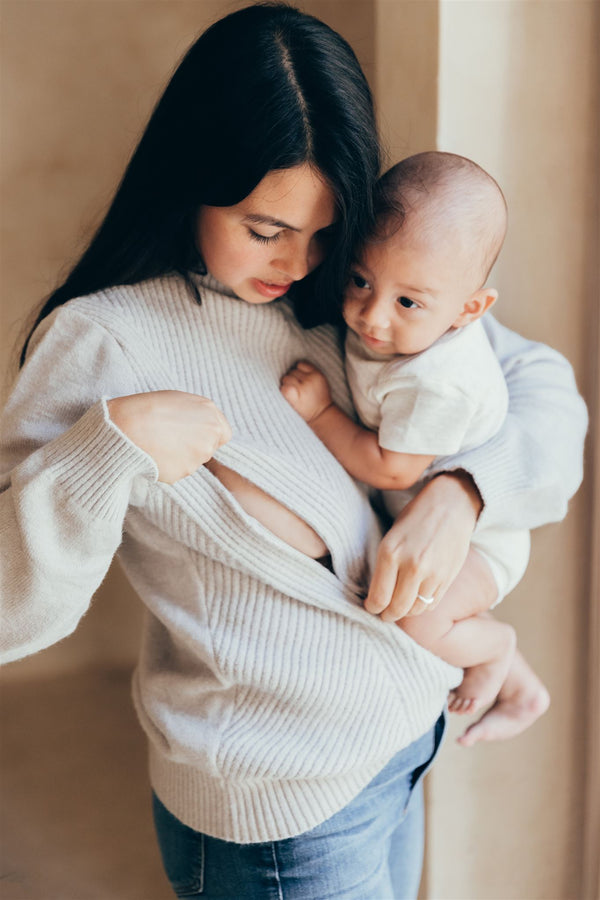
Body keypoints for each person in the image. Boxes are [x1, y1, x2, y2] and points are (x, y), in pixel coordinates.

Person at [0, 5, 587, 898]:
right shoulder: (106, 342)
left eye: (325, 230)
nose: (300, 266)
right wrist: (106, 448)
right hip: (284, 815)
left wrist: (460, 493)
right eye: (264, 229)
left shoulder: (362, 282)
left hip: (403, 742)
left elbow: (541, 384)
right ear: (192, 181)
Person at [281, 151, 550, 746]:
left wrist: (322, 412)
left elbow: (393, 469)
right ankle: (515, 673)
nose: (372, 316)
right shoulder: (401, 326)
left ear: (469, 310)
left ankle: (495, 650)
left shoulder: (439, 381)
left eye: (408, 302)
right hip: (419, 525)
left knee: (419, 617)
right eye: (360, 280)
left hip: (482, 544)